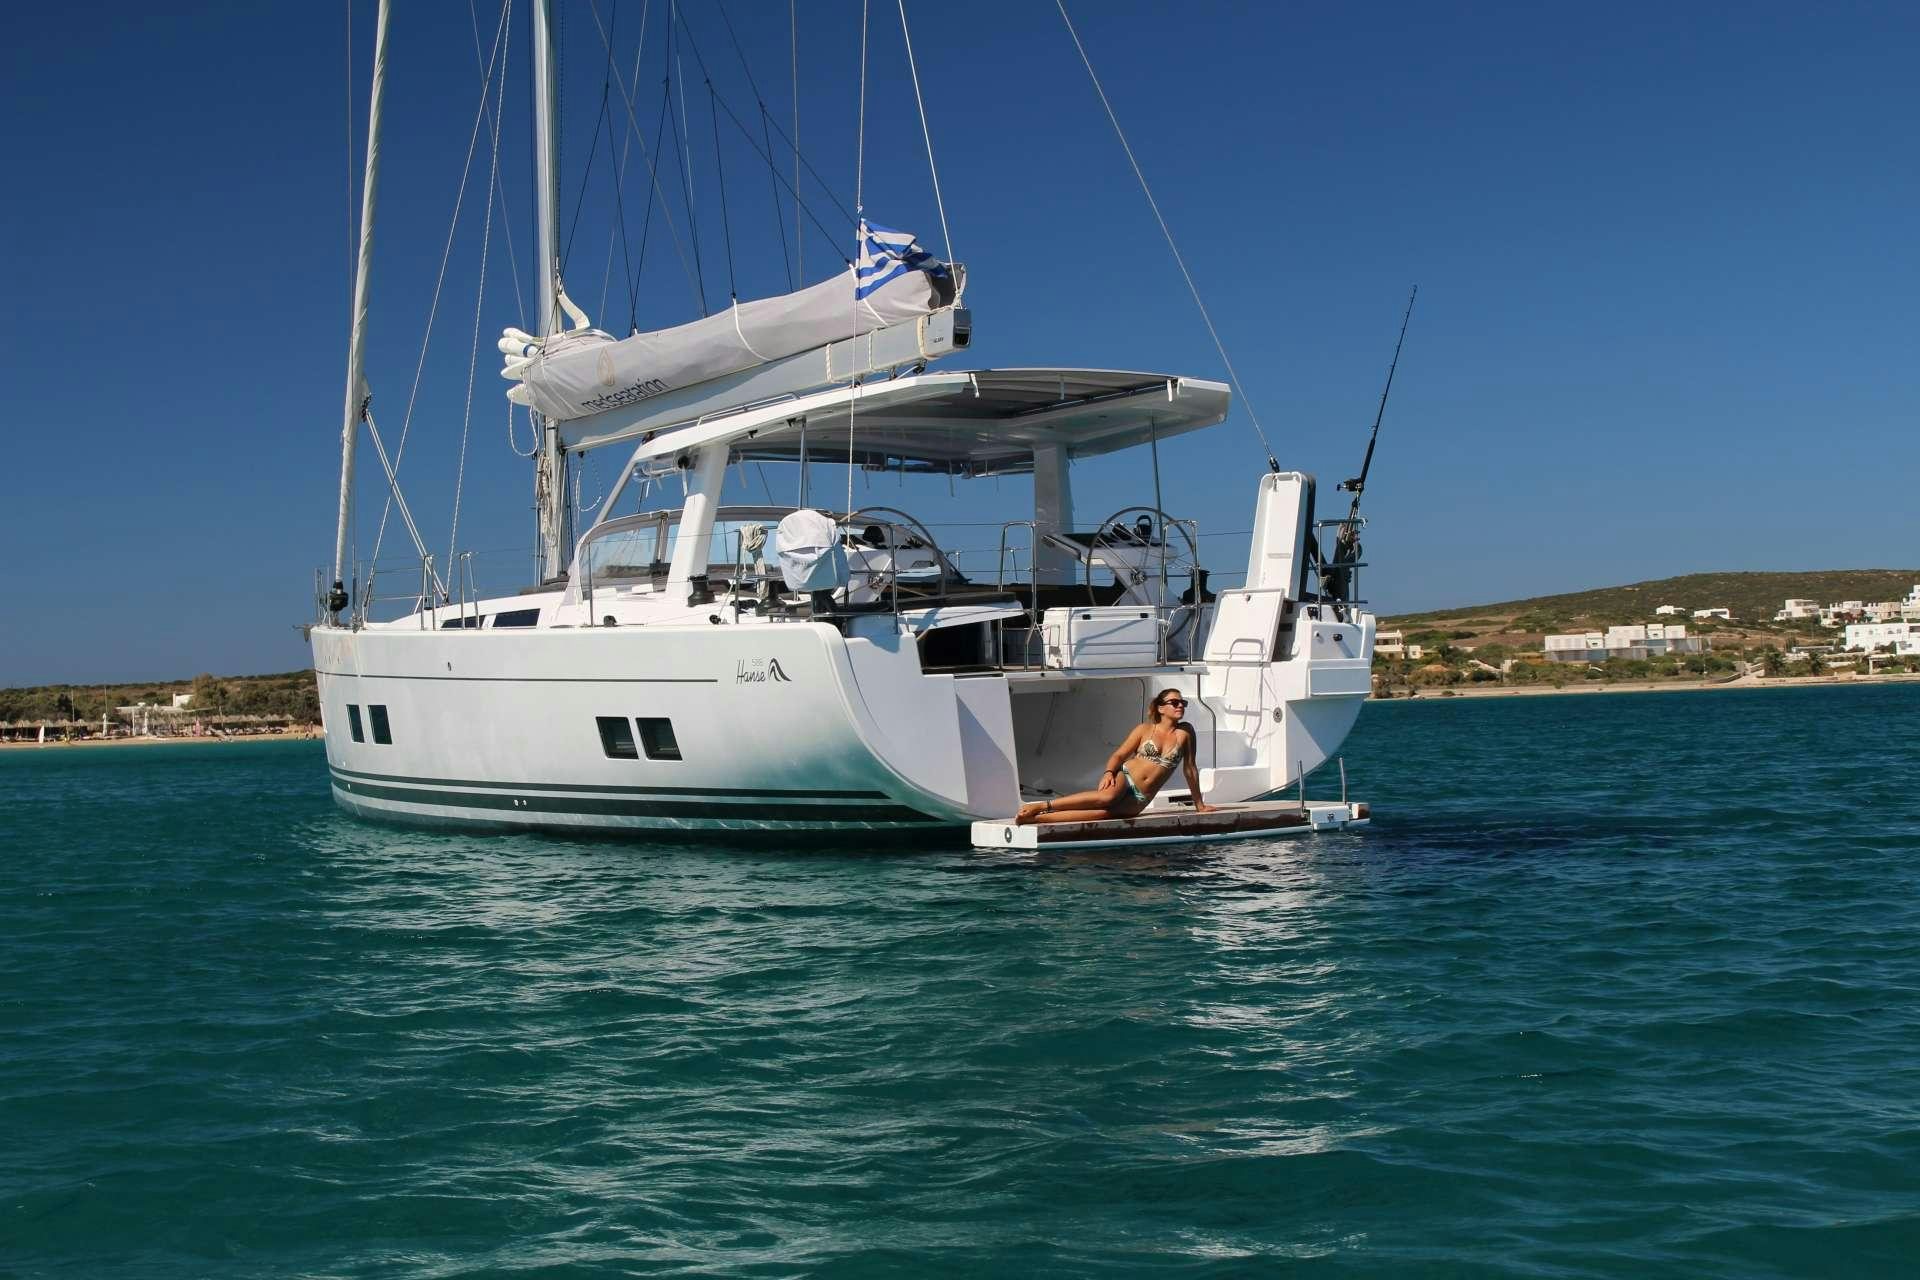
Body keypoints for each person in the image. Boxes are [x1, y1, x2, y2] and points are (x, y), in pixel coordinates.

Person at [1015, 688, 1213, 824]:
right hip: (1126, 777)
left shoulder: (1185, 732)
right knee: (1106, 797)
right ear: (1161, 708)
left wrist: (1199, 805)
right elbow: (1119, 755)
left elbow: (1190, 768)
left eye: (1183, 702)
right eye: (1174, 702)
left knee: (1103, 814)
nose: (1180, 706)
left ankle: (1037, 819)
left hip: (1142, 796)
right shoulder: (1144, 729)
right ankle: (1042, 805)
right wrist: (1109, 772)